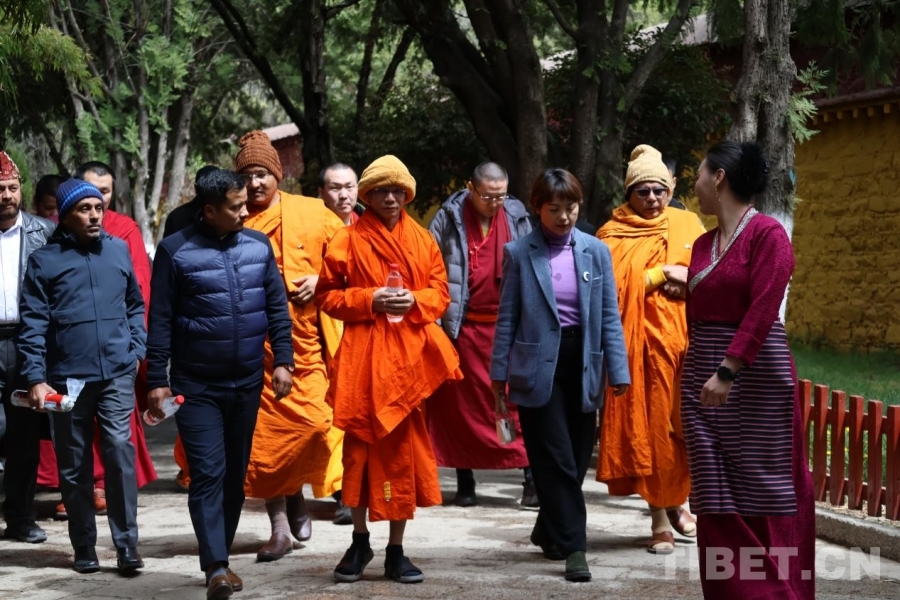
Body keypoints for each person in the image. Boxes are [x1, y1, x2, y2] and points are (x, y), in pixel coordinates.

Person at [145, 168, 293, 598]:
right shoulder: (175, 251)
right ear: (209, 211)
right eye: (236, 207)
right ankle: (216, 566)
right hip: (196, 386)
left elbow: (277, 308)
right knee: (208, 473)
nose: (246, 213)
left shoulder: (258, 246)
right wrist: (157, 379)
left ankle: (219, 558)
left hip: (247, 383)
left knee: (233, 478)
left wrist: (284, 360)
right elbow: (160, 319)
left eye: (245, 204)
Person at [315, 154, 462, 584]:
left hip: (408, 362)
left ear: (408, 194)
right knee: (359, 453)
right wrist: (368, 299)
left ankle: (397, 549)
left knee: (403, 455)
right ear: (368, 195)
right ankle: (359, 540)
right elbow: (326, 296)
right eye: (382, 191)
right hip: (364, 358)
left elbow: (440, 293)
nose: (391, 198)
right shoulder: (347, 239)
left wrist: (415, 299)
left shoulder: (422, 239)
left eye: (398, 190)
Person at [682, 141, 815, 598]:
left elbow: (764, 305)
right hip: (702, 381)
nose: (695, 183)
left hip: (754, 381)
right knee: (715, 501)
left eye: (700, 173)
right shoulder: (704, 244)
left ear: (718, 177)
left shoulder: (768, 234)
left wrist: (728, 370)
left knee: (766, 496)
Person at [490, 168, 630, 583]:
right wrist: (498, 375)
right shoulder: (519, 253)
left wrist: (618, 370)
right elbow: (507, 317)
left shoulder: (595, 251)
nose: (564, 216)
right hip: (538, 369)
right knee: (557, 459)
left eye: (571, 207)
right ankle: (575, 548)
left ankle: (547, 530)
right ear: (538, 209)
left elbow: (608, 315)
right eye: (554, 209)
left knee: (576, 457)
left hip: (584, 363)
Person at [18, 178, 146, 574]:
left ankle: (127, 545)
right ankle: (84, 546)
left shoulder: (118, 249)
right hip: (67, 379)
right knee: (74, 465)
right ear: (65, 215)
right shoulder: (44, 260)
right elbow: (33, 324)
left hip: (116, 374)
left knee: (119, 452)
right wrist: (36, 377)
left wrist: (136, 350)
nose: (94, 215)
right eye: (84, 209)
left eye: (98, 208)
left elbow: (135, 304)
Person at [234, 130, 348, 559]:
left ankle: (296, 490)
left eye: (262, 174)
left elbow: (351, 257)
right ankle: (279, 526)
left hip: (304, 345)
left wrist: (322, 280)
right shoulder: (233, 217)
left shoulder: (312, 212)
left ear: (277, 175)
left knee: (317, 425)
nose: (255, 183)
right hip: (251, 347)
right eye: (247, 176)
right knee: (262, 440)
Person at [596, 145, 706, 554]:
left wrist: (686, 281)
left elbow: (709, 275)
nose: (653, 199)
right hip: (639, 351)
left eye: (659, 190)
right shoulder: (612, 233)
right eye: (642, 191)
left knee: (685, 430)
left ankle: (678, 501)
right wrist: (661, 273)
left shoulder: (687, 223)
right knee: (654, 431)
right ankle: (660, 520)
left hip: (689, 346)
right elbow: (611, 288)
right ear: (629, 193)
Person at [37, 161, 156, 518]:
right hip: (71, 357)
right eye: (88, 197)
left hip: (116, 354)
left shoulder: (122, 235)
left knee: (117, 438)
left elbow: (139, 292)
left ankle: (121, 523)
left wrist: (136, 350)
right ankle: (80, 508)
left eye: (104, 195)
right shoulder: (52, 243)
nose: (96, 207)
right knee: (73, 439)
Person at [426, 162, 536, 507]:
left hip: (507, 328)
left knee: (515, 405)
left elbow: (533, 265)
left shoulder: (516, 216)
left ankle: (530, 478)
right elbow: (429, 266)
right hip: (462, 328)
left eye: (500, 196)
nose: (494, 203)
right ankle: (465, 480)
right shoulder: (448, 218)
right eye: (488, 196)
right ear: (471, 188)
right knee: (462, 410)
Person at [0, 151, 55, 545]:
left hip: (27, 342)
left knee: (23, 436)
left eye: (12, 187)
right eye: (0, 189)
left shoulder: (44, 233)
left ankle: (20, 518)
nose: (6, 195)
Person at [162, 165, 219, 238]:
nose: (211, 193)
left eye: (215, 189)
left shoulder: (226, 217)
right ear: (196, 188)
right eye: (207, 188)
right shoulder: (177, 218)